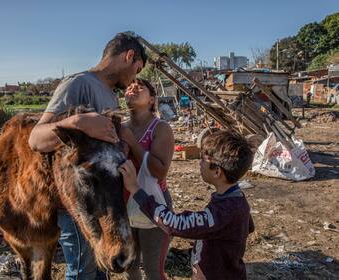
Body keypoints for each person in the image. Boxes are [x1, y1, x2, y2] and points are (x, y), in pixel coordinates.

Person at [28, 32, 147, 280]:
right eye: (137, 69)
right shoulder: (78, 84)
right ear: (129, 55)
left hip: (104, 201)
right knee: (83, 270)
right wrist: (79, 122)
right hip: (80, 203)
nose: (135, 79)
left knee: (102, 267)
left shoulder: (110, 94)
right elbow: (36, 139)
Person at [119, 130, 255, 280]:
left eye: (204, 159)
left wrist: (136, 189)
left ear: (217, 172)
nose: (199, 163)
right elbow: (247, 226)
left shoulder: (226, 210)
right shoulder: (235, 199)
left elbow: (175, 223)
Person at [120, 78, 175, 280]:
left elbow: (159, 171)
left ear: (152, 100)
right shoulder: (120, 128)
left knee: (153, 271)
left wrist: (132, 143)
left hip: (153, 203)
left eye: (140, 86)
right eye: (129, 85)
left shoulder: (160, 128)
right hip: (123, 206)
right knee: (129, 266)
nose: (132, 87)